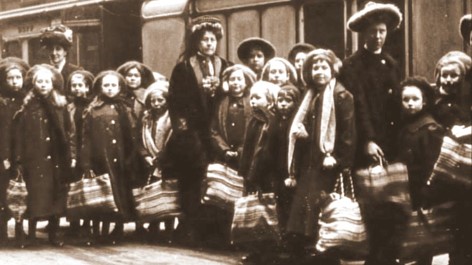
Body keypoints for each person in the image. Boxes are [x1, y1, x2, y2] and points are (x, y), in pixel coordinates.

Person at [339, 3, 403, 264]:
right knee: (370, 203)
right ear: (363, 34)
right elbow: (358, 105)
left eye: (382, 31)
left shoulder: (391, 63)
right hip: (366, 143)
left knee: (390, 202)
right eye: (373, 31)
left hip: (390, 142)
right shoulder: (352, 65)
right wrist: (368, 140)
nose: (378, 36)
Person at [286, 49, 355, 264]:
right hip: (309, 163)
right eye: (315, 68)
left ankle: (326, 256)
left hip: (327, 164)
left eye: (324, 67)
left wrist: (338, 158)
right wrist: (304, 136)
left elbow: (348, 133)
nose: (319, 72)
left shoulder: (341, 95)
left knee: (324, 211)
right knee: (306, 212)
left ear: (333, 69)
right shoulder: (310, 95)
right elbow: (307, 128)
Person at [167, 15, 230, 246]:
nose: (209, 44)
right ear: (196, 42)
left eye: (213, 40)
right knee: (193, 180)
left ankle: (217, 232)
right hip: (193, 135)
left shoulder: (226, 66)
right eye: (204, 40)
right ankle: (191, 230)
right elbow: (175, 103)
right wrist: (184, 133)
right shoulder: (183, 68)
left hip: (218, 133)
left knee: (217, 181)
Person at [12, 64, 73, 247]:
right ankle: (30, 233)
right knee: (33, 196)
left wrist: (70, 155)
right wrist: (19, 159)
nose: (43, 84)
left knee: (56, 195)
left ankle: (54, 232)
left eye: (47, 81)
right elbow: (19, 136)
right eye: (40, 81)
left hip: (56, 158)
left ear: (52, 83)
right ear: (34, 83)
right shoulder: (27, 107)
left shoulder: (61, 106)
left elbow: (69, 132)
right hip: (34, 159)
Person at [81, 71, 139, 244]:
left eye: (114, 85)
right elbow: (86, 138)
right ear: (100, 88)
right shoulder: (93, 109)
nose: (110, 89)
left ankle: (118, 229)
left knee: (119, 194)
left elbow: (132, 136)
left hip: (120, 159)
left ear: (120, 87)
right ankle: (97, 231)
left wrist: (130, 158)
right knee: (101, 195)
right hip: (101, 159)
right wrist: (86, 163)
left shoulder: (126, 108)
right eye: (106, 85)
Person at [395, 77, 444, 265]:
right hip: (406, 191)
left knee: (422, 241)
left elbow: (433, 164)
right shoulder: (405, 128)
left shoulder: (430, 128)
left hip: (421, 191)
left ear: (424, 102)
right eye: (405, 100)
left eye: (415, 99)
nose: (410, 104)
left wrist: (427, 192)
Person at [238, 80, 279, 264]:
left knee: (268, 212)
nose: (252, 101)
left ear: (270, 100)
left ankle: (269, 252)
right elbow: (248, 148)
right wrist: (245, 172)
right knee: (254, 212)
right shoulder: (254, 120)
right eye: (251, 98)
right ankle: (255, 250)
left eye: (257, 98)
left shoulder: (272, 121)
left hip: (267, 173)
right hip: (252, 173)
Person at [138, 81, 175, 243]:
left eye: (160, 100)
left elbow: (175, 140)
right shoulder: (146, 118)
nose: (157, 104)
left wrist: (162, 157)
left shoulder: (172, 118)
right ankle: (153, 228)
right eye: (153, 101)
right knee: (152, 193)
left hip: (168, 162)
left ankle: (169, 231)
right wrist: (145, 155)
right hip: (150, 162)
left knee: (168, 195)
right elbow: (139, 140)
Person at [0, 57, 30, 247]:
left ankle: (20, 228)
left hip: (24, 152)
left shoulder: (27, 101)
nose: (14, 82)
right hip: (4, 153)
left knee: (21, 191)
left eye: (18, 78)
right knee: (3, 191)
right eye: (10, 78)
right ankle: (2, 229)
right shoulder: (1, 102)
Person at [64, 70, 95, 244]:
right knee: (73, 186)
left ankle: (88, 223)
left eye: (80, 85)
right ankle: (74, 223)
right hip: (72, 150)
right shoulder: (68, 107)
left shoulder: (92, 106)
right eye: (74, 86)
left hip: (88, 150)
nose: (77, 89)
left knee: (88, 185)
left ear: (87, 87)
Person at [272, 85, 300, 260]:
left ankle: (292, 244)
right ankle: (282, 241)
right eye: (280, 100)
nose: (283, 104)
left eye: (287, 101)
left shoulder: (296, 122)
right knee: (280, 206)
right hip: (278, 170)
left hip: (293, 171)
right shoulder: (275, 120)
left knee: (292, 206)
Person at [211, 64, 256, 170]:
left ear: (246, 83)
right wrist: (224, 149)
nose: (236, 83)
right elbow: (213, 130)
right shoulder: (220, 103)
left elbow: (255, 130)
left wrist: (241, 150)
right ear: (227, 82)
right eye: (232, 79)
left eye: (239, 79)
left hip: (246, 155)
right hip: (224, 155)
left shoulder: (252, 103)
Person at [39, 24, 81, 95]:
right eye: (51, 49)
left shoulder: (75, 72)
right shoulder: (42, 71)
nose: (54, 53)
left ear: (65, 52)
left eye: (58, 49)